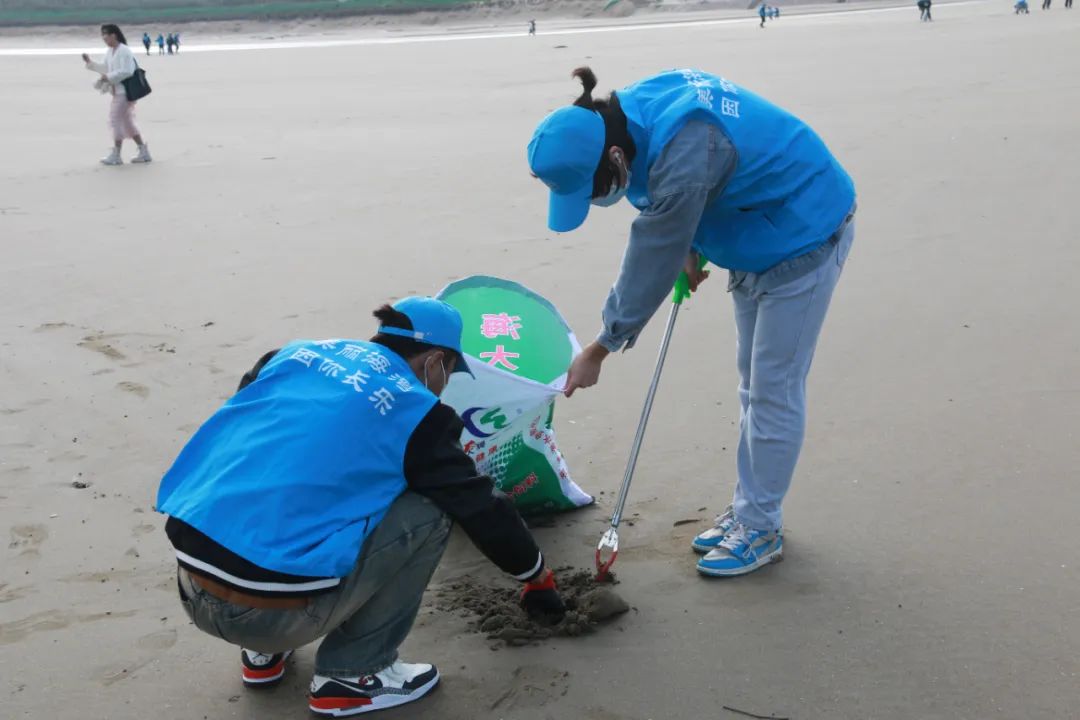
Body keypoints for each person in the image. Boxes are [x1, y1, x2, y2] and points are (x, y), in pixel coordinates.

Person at [157, 297, 567, 716]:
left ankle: (262, 656)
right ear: (434, 361)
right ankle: (355, 673)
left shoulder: (289, 356)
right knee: (430, 505)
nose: (445, 384)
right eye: (449, 373)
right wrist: (536, 576)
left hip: (192, 584)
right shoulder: (418, 412)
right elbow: (479, 505)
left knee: (276, 471)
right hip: (268, 614)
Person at [527, 68, 856, 578]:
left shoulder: (682, 152)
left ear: (614, 157)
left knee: (773, 389)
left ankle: (761, 527)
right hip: (753, 230)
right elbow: (707, 184)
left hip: (802, 233)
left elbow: (652, 254)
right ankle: (750, 510)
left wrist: (600, 347)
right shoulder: (630, 115)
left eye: (592, 191)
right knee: (753, 386)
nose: (595, 201)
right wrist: (695, 243)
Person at [82, 24, 152, 166]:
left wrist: (107, 77)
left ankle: (117, 154)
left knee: (115, 120)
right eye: (102, 35)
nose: (103, 38)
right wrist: (90, 63)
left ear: (114, 35)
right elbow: (106, 67)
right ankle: (143, 151)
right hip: (117, 92)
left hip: (124, 92)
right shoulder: (110, 51)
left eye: (105, 35)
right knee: (127, 122)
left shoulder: (124, 50)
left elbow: (127, 71)